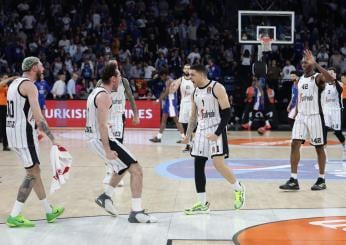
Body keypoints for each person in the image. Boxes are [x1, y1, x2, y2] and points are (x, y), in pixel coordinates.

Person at [85, 62, 157, 223]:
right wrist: (107, 149)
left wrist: (105, 126)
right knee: (137, 170)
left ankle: (106, 196)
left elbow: (96, 119)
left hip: (96, 137)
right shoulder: (104, 95)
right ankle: (136, 212)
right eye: (118, 76)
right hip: (102, 139)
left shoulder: (95, 92)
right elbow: (102, 125)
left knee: (124, 166)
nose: (120, 78)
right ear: (113, 79)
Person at [6, 57, 64, 227]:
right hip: (24, 136)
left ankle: (48, 211)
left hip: (14, 134)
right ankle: (14, 215)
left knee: (35, 171)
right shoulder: (29, 86)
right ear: (33, 68)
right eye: (41, 66)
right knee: (32, 174)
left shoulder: (15, 83)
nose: (43, 68)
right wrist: (53, 138)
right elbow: (38, 117)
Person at [182, 64, 245, 215]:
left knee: (218, 164)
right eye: (189, 75)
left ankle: (238, 188)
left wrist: (217, 133)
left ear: (202, 74)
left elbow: (227, 113)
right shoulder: (195, 93)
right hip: (201, 131)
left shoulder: (217, 87)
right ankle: (203, 203)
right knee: (198, 164)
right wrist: (188, 134)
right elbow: (193, 116)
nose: (190, 78)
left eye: (192, 75)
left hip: (217, 128)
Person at [279, 50, 336, 191]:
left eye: (307, 61)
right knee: (294, 144)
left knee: (319, 147)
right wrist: (295, 112)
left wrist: (316, 63)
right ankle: (293, 179)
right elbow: (300, 98)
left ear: (312, 63)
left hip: (315, 116)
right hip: (301, 117)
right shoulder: (299, 80)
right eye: (303, 62)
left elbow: (331, 80)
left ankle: (321, 179)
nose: (304, 63)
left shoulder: (318, 78)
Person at [96, 60, 140, 187]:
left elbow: (131, 98)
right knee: (106, 145)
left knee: (118, 146)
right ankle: (108, 172)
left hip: (118, 117)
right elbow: (95, 100)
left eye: (116, 66)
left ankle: (117, 173)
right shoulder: (101, 82)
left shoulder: (124, 81)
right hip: (105, 117)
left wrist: (136, 115)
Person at [149, 69, 185, 143]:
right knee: (163, 120)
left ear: (164, 75)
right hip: (168, 102)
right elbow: (164, 92)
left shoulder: (170, 81)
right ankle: (158, 137)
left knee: (176, 121)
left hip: (171, 102)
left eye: (161, 76)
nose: (161, 78)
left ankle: (184, 137)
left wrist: (158, 100)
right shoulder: (167, 81)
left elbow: (166, 92)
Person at [322, 68, 345, 161]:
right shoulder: (323, 85)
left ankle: (344, 146)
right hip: (326, 110)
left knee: (337, 131)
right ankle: (324, 153)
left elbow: (340, 91)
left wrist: (334, 80)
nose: (330, 74)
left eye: (332, 73)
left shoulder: (339, 84)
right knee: (324, 130)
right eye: (328, 73)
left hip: (336, 110)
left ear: (335, 74)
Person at [172, 64, 194, 151]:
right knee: (184, 124)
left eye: (189, 68)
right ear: (183, 70)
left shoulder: (194, 79)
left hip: (193, 104)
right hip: (184, 104)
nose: (187, 70)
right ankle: (188, 144)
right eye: (185, 68)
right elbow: (172, 88)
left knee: (191, 124)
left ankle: (192, 143)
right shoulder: (180, 80)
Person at [0, 74, 11, 151]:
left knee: (5, 126)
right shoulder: (1, 85)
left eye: (7, 78)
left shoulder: (9, 86)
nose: (7, 79)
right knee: (3, 126)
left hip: (6, 107)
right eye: (5, 78)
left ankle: (5, 145)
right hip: (1, 106)